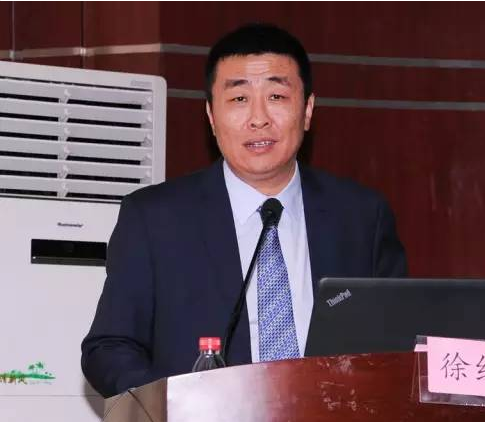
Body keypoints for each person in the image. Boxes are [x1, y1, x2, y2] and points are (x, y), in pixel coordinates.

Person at [81, 23, 407, 398]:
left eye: (277, 96)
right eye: (238, 99)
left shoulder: (361, 217)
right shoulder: (154, 219)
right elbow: (109, 348)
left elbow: (398, 343)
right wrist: (173, 406)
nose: (258, 118)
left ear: (307, 110)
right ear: (211, 115)